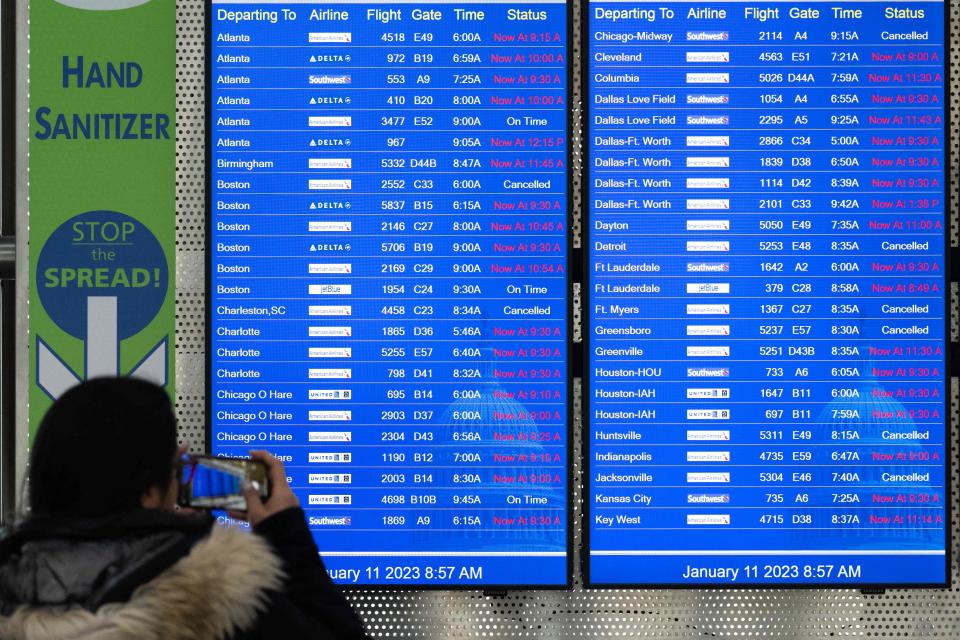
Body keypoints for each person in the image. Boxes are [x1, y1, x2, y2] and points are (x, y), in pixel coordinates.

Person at [0, 377, 367, 640]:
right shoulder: (217, 594)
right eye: (174, 469)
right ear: (148, 489)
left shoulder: (9, 591)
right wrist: (285, 533)